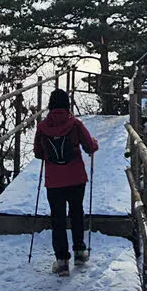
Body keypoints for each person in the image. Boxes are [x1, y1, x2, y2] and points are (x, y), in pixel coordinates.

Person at [33, 88, 99, 275]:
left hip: (54, 181)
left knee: (58, 219)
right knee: (77, 212)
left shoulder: (42, 128)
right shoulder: (75, 124)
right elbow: (89, 146)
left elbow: (38, 153)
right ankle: (79, 251)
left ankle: (62, 261)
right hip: (76, 177)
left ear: (50, 105)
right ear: (67, 104)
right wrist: (94, 143)